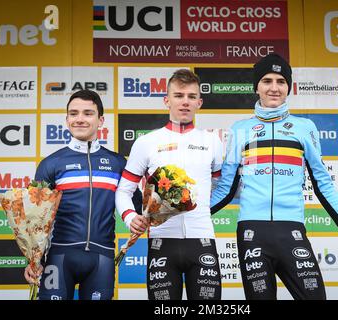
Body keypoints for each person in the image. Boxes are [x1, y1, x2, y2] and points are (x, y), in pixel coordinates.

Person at [210, 53, 338, 300]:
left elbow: (323, 185)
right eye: (267, 81)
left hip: (291, 229)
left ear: (289, 86)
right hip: (251, 233)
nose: (274, 88)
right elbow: (225, 189)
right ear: (256, 86)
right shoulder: (239, 130)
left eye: (281, 81)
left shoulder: (305, 128)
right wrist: (184, 215)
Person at [115, 69, 223, 300]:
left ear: (199, 103)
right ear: (167, 100)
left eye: (191, 97)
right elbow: (124, 190)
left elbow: (218, 188)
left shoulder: (212, 141)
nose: (185, 102)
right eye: (179, 95)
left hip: (202, 240)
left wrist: (199, 209)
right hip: (162, 242)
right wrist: (129, 217)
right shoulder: (147, 142)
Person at [24, 89, 142, 300]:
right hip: (58, 257)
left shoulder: (118, 163)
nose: (80, 119)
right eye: (74, 113)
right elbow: (35, 220)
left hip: (101, 259)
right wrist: (34, 260)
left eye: (88, 113)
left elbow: (138, 208)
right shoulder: (51, 163)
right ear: (67, 119)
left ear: (101, 120)